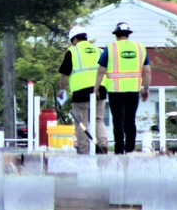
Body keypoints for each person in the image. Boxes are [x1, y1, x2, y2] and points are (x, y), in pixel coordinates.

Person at [94, 22, 151, 154]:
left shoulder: (110, 48)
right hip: (133, 90)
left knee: (118, 120)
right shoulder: (139, 48)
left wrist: (96, 89)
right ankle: (130, 149)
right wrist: (146, 89)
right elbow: (147, 71)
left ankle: (119, 150)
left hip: (115, 91)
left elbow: (101, 71)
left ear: (116, 35)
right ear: (128, 35)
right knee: (130, 120)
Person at [57, 25, 108, 154]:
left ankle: (83, 149)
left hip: (81, 92)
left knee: (81, 121)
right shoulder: (99, 50)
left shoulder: (72, 52)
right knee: (98, 119)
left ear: (73, 39)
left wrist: (61, 90)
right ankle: (103, 145)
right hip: (100, 90)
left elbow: (64, 74)